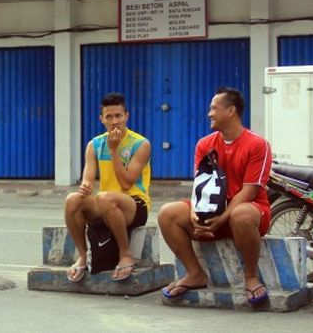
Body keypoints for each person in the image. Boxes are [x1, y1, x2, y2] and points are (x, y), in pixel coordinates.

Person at [158, 87, 273, 303]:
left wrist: (223, 217)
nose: (209, 113)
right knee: (167, 214)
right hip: (212, 209)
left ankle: (250, 276)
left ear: (231, 111)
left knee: (241, 215)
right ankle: (194, 273)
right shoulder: (205, 144)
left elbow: (250, 191)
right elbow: (200, 184)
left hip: (250, 209)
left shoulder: (258, 145)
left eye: (214, 108)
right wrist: (194, 211)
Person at [64, 92, 152, 282]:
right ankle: (82, 254)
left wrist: (113, 151)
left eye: (118, 116)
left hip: (135, 205)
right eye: (109, 117)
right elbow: (88, 178)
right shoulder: (94, 144)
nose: (114, 122)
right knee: (72, 200)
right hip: (106, 203)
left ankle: (125, 254)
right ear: (101, 119)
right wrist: (85, 187)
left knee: (105, 197)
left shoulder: (140, 144)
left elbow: (127, 183)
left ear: (127, 116)